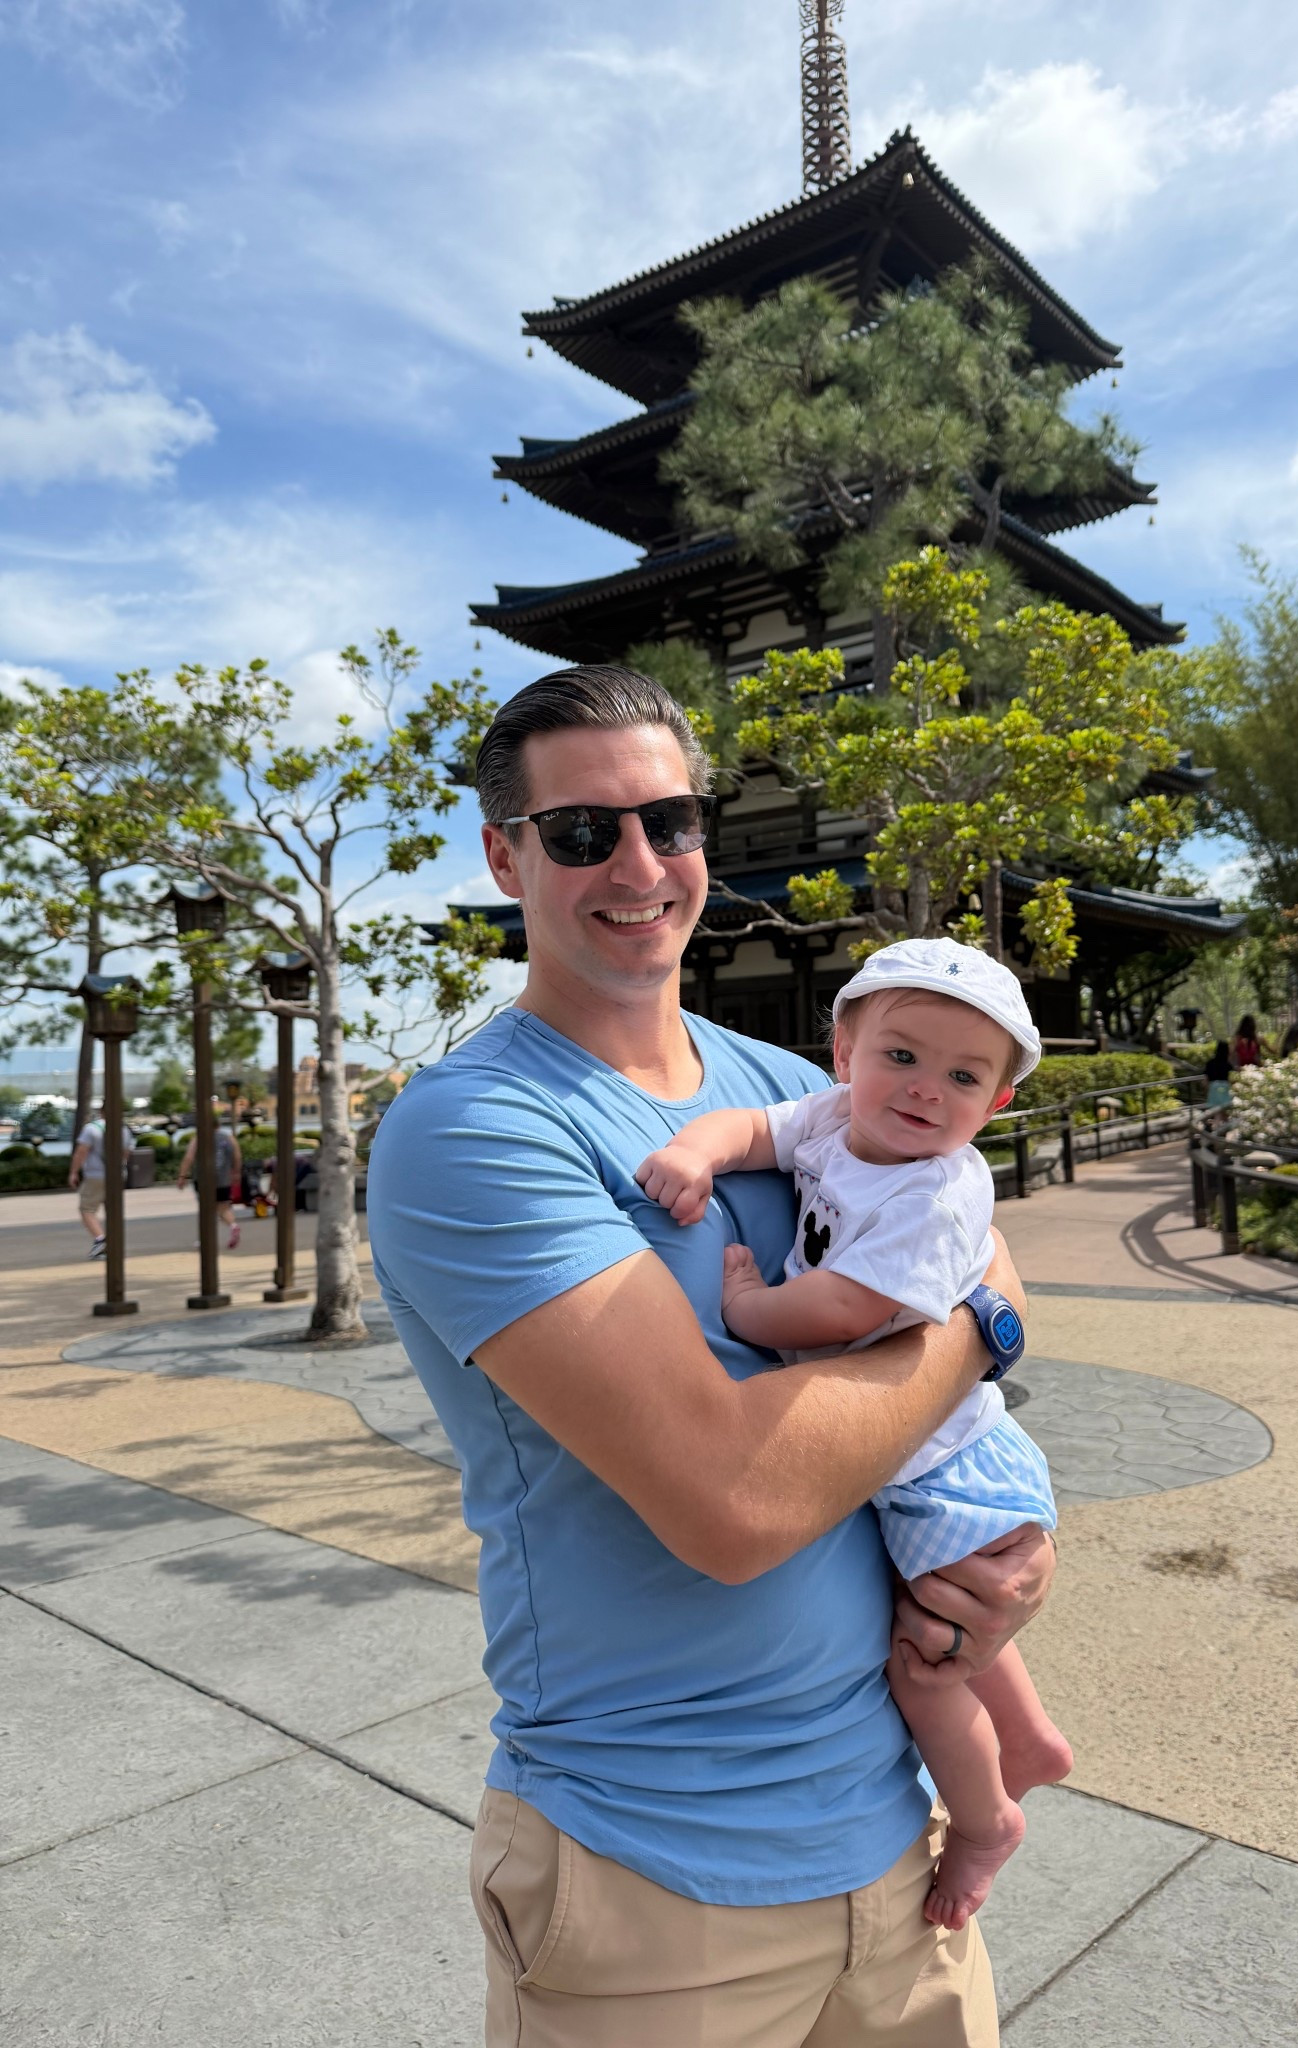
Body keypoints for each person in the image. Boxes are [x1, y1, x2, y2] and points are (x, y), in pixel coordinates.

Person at [367, 666, 1054, 2048]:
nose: (638, 864)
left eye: (669, 821)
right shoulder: (475, 1129)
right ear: (505, 855)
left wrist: (993, 1536)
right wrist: (977, 1325)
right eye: (581, 833)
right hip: (655, 1871)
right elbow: (733, 1505)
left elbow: (981, 1239)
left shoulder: (790, 1088)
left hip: (897, 1845)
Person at [636, 938, 1071, 1933]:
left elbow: (842, 1305)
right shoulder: (835, 1118)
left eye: (963, 1076)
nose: (923, 1090)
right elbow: (761, 1127)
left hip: (948, 1468)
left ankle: (982, 1818)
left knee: (925, 1663)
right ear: (845, 1050)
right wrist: (699, 1150)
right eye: (902, 1056)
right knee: (946, 1618)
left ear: (995, 1105)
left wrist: (749, 1304)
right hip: (926, 1450)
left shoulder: (940, 1191)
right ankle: (1033, 1735)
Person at [67, 1107, 134, 1259]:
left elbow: (81, 1151)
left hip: (95, 1175)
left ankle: (100, 1240)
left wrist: (73, 1172)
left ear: (101, 1112)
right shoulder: (124, 1129)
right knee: (113, 1210)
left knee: (87, 1208)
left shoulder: (91, 1129)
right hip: (117, 1175)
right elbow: (127, 1153)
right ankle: (115, 1243)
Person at [176, 1117, 243, 1249]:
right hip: (224, 1179)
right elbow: (237, 1157)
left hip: (203, 1179)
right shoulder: (229, 1138)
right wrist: (236, 1173)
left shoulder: (198, 1139)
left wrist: (182, 1175)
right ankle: (233, 1226)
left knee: (206, 1210)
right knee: (223, 1208)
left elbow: (188, 1158)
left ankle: (205, 1239)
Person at [1203, 1040, 1234, 1109]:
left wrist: (1206, 1091)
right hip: (1225, 1087)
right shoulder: (1227, 1064)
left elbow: (1205, 1080)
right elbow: (1231, 1079)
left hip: (1213, 1087)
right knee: (1224, 1109)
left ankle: (1218, 1119)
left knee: (1216, 1110)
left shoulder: (1210, 1063)